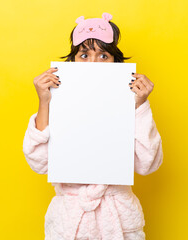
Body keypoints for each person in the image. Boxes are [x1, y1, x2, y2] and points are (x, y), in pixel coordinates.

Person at [23, 12, 163, 240]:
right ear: (73, 61)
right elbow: (38, 163)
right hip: (69, 220)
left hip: (117, 215)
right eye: (84, 54)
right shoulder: (58, 103)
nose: (94, 63)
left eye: (104, 56)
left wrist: (141, 106)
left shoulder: (129, 103)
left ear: (115, 63)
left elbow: (148, 164)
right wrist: (44, 102)